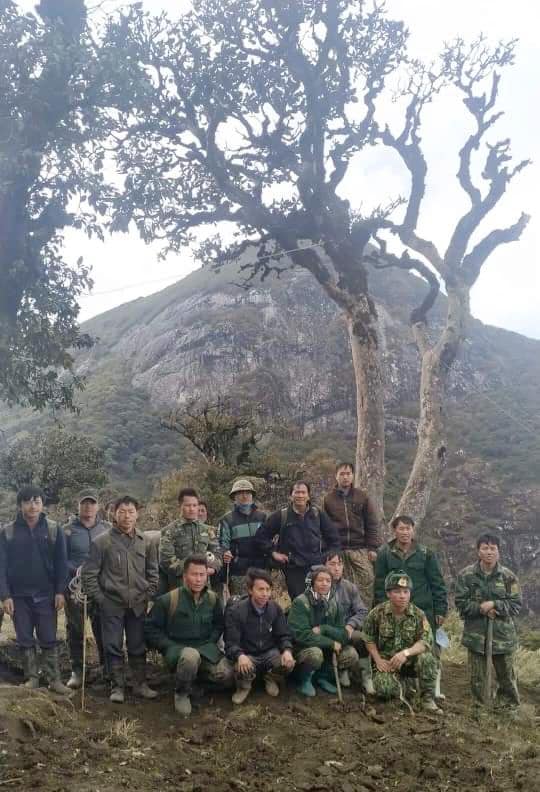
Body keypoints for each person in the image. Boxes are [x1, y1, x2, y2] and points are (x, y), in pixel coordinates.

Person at [82, 495, 158, 703]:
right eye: (122, 512)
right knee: (112, 646)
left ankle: (140, 684)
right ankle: (117, 686)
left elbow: (153, 572)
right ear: (114, 514)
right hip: (111, 604)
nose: (127, 516)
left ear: (137, 514)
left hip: (138, 604)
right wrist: (101, 599)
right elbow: (89, 575)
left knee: (137, 645)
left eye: (131, 511)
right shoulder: (101, 542)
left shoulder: (146, 541)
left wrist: (148, 594)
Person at [0, 486, 71, 694]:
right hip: (18, 596)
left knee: (48, 637)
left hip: (46, 595)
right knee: (24, 637)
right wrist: (5, 595)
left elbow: (61, 563)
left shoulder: (53, 529)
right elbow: (1, 566)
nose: (32, 506)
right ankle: (31, 678)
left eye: (37, 501)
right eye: (28, 501)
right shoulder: (8, 531)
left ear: (42, 504)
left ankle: (54, 679)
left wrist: (60, 591)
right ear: (20, 505)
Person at [145, 554, 234, 716]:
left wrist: (211, 641)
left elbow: (218, 624)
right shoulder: (168, 600)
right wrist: (168, 646)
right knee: (190, 657)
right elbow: (151, 628)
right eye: (194, 574)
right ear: (185, 576)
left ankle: (196, 683)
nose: (198, 579)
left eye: (202, 575)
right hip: (178, 651)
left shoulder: (213, 599)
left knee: (228, 674)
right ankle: (182, 692)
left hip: (205, 649)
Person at [373, 515, 448, 697]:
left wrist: (440, 609)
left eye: (408, 528)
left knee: (428, 647)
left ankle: (432, 690)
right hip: (396, 609)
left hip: (423, 608)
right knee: (397, 644)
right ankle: (405, 683)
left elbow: (437, 583)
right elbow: (380, 584)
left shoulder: (425, 553)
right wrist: (382, 608)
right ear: (394, 530)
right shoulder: (384, 553)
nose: (405, 532)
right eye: (401, 528)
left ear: (413, 530)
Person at [455, 532, 521, 717]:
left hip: (502, 637)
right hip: (476, 636)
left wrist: (495, 605)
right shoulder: (466, 575)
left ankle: (508, 709)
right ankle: (480, 709)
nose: (489, 552)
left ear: (498, 552)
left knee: (506, 676)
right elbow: (460, 603)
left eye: (493, 548)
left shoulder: (508, 577)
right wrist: (481, 608)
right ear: (478, 551)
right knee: (478, 677)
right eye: (485, 548)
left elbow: (515, 605)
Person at [362, 571, 441, 713]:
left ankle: (427, 699)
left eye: (406, 591)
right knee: (384, 690)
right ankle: (404, 687)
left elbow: (425, 641)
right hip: (388, 663)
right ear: (388, 593)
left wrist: (406, 653)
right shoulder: (377, 613)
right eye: (397, 592)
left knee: (428, 658)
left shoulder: (418, 614)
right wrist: (378, 659)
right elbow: (368, 637)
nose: (402, 596)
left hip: (411, 661)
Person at [256, 481, 340, 599]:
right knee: (299, 602)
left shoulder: (317, 514)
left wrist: (327, 558)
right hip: (293, 569)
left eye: (303, 492)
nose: (300, 495)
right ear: (291, 496)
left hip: (316, 568)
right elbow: (261, 536)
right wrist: (273, 553)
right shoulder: (282, 516)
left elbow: (334, 539)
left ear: (308, 496)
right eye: (297, 492)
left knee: (320, 601)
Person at [225, 568, 295, 704]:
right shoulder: (237, 611)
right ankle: (244, 686)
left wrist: (287, 650)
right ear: (250, 590)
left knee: (288, 663)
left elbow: (284, 635)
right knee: (241, 665)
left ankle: (270, 677)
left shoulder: (275, 608)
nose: (265, 594)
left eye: (268, 589)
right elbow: (231, 643)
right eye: (260, 589)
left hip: (269, 652)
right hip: (248, 654)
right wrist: (240, 655)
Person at [63, 489, 110, 689]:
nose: (88, 507)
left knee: (103, 627)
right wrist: (75, 569)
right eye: (84, 503)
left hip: (100, 587)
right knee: (75, 629)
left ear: (98, 506)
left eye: (92, 503)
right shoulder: (66, 530)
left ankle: (106, 668)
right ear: (78, 505)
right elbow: (60, 558)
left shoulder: (107, 528)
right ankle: (77, 670)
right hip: (75, 589)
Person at [288, 566, 358, 697]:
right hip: (303, 649)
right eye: (320, 580)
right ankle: (304, 679)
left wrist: (325, 629)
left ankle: (322, 677)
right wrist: (331, 643)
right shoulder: (301, 603)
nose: (324, 584)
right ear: (312, 583)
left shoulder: (334, 604)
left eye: (328, 581)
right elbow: (302, 635)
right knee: (315, 654)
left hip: (326, 650)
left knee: (351, 654)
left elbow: (343, 635)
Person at [322, 462, 381, 606]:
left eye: (348, 474)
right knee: (340, 584)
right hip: (338, 549)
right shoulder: (328, 499)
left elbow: (372, 523)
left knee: (367, 579)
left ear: (353, 476)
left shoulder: (362, 496)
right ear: (336, 476)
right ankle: (343, 615)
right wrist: (327, 550)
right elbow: (324, 527)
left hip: (359, 548)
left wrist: (372, 548)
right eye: (342, 474)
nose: (345, 477)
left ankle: (364, 614)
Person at [324, 551, 374, 693]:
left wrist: (351, 625)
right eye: (332, 564)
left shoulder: (349, 587)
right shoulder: (318, 586)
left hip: (346, 631)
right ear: (324, 565)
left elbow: (362, 611)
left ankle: (366, 678)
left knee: (362, 638)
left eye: (339, 564)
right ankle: (341, 669)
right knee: (350, 653)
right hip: (327, 635)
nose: (336, 568)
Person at [160, 488, 221, 591]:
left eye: (194, 505)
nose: (192, 509)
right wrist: (192, 571)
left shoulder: (207, 530)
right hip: (179, 587)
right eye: (188, 505)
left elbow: (217, 553)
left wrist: (212, 569)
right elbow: (166, 561)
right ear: (180, 506)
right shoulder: (169, 531)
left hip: (204, 587)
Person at [218, 479, 267, 596]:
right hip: (238, 572)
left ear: (252, 495)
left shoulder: (262, 517)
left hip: (261, 569)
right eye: (240, 493)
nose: (244, 496)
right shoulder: (227, 519)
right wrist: (225, 553)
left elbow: (269, 541)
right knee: (240, 603)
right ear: (234, 497)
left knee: (263, 601)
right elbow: (223, 545)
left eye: (248, 492)